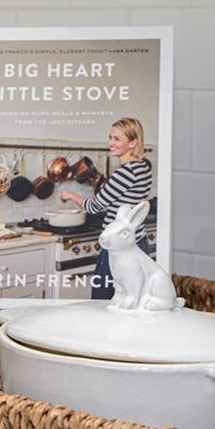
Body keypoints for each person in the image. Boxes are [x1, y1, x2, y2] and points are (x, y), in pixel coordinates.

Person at [60, 118, 153, 299]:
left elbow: (93, 207)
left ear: (133, 143)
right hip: (138, 241)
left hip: (118, 246)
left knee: (102, 300)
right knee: (131, 299)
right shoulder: (143, 167)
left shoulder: (125, 173)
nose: (111, 143)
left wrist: (69, 195)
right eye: (110, 137)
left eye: (117, 139)